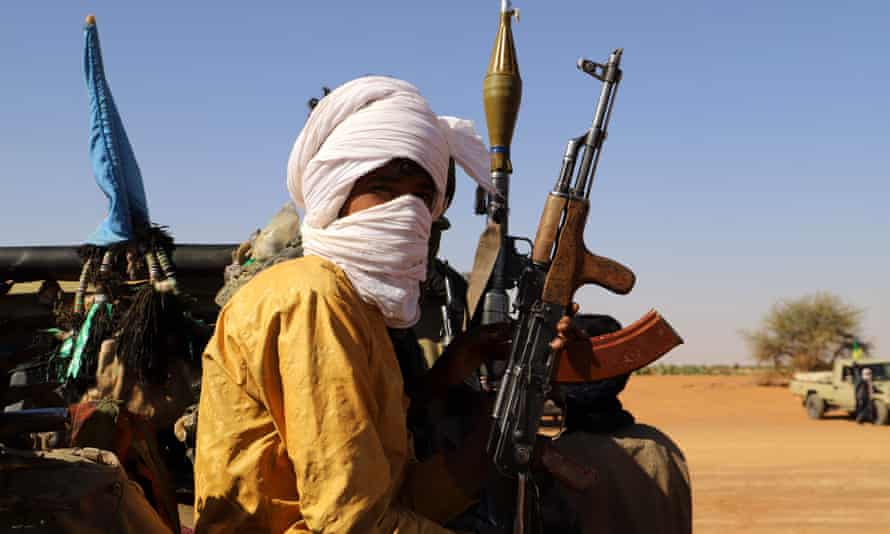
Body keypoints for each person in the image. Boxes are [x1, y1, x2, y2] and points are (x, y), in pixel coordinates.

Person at [193, 76, 579, 533]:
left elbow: (388, 493)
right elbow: (352, 522)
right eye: (384, 189)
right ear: (334, 192)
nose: (408, 211)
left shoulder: (358, 307)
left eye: (422, 195)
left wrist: (489, 437)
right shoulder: (313, 296)